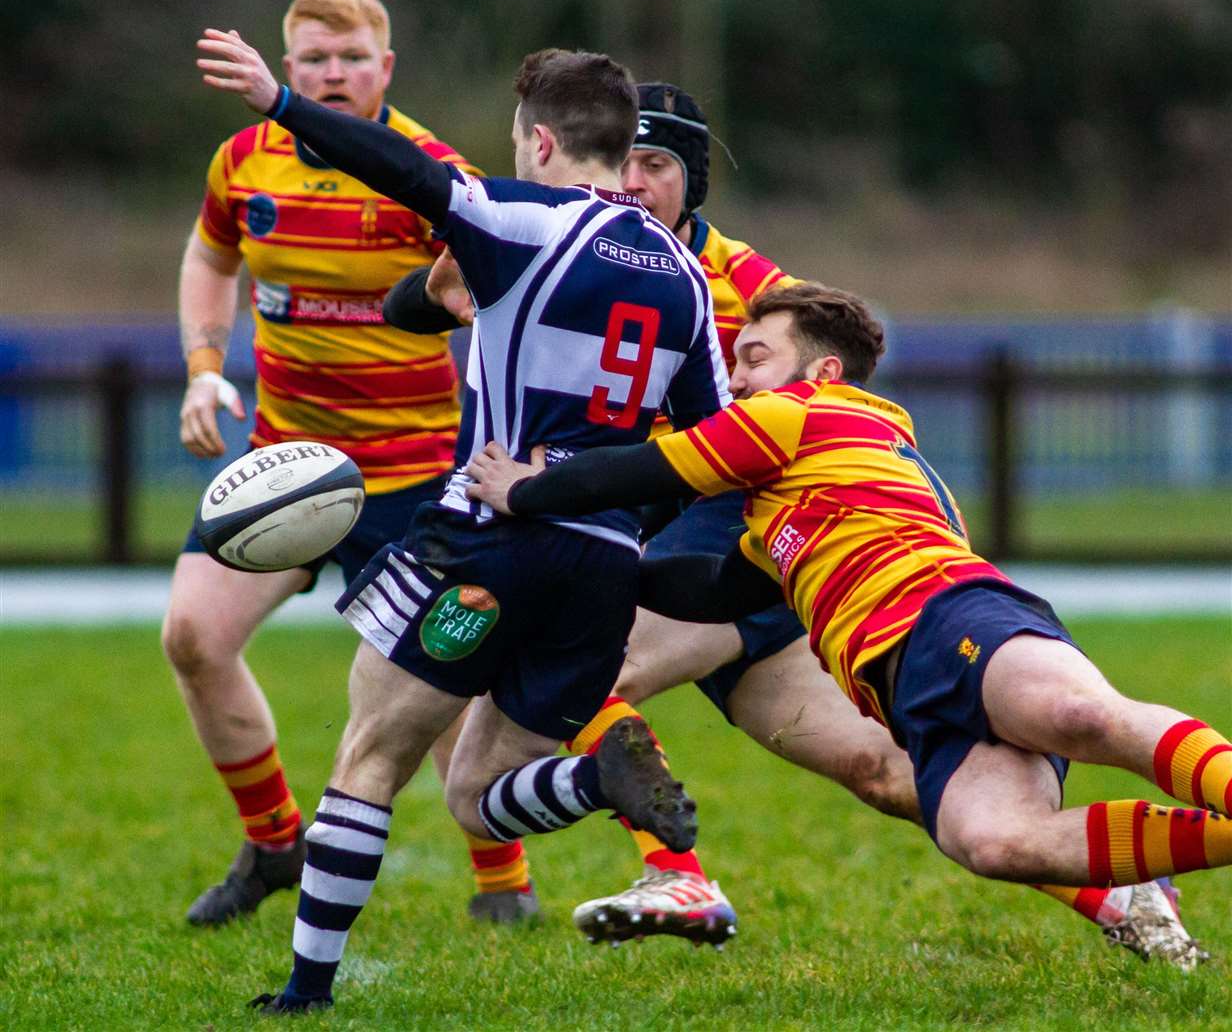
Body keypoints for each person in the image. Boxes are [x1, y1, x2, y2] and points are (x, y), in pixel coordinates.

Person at [396, 84, 1207, 965]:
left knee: (587, 662)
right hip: (718, 559)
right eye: (620, 159)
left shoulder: (745, 284)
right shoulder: (550, 243)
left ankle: (676, 873)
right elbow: (410, 308)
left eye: (656, 165)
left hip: (729, 521)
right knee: (888, 774)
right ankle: (1121, 892)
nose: (632, 182)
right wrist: (447, 282)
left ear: (691, 183)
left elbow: (839, 399)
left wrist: (930, 527)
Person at [197, 29, 732, 1012]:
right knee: (475, 795)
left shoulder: (521, 221)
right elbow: (706, 450)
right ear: (623, 144)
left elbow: (402, 167)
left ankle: (306, 990)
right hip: (599, 569)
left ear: (535, 141)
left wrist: (281, 102)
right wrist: (593, 492)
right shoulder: (687, 279)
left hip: (484, 543)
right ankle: (591, 784)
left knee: (372, 754)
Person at [466, 282, 1228, 967]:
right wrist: (602, 566)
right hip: (907, 701)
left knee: (1079, 715)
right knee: (992, 842)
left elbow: (646, 470)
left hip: (948, 618)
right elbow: (714, 590)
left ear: (821, 372)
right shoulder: (780, 508)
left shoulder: (802, 413)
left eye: (754, 356)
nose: (735, 378)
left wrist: (528, 492)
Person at [162, 0, 536, 928]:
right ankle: (274, 843)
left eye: (353, 59)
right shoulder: (244, 158)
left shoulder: (427, 170)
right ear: (288, 70)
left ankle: (504, 887)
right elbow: (211, 258)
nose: (334, 75)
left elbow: (503, 294)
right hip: (282, 468)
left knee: (441, 687)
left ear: (387, 69)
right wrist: (205, 369)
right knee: (193, 638)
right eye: (316, 61)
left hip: (411, 476)